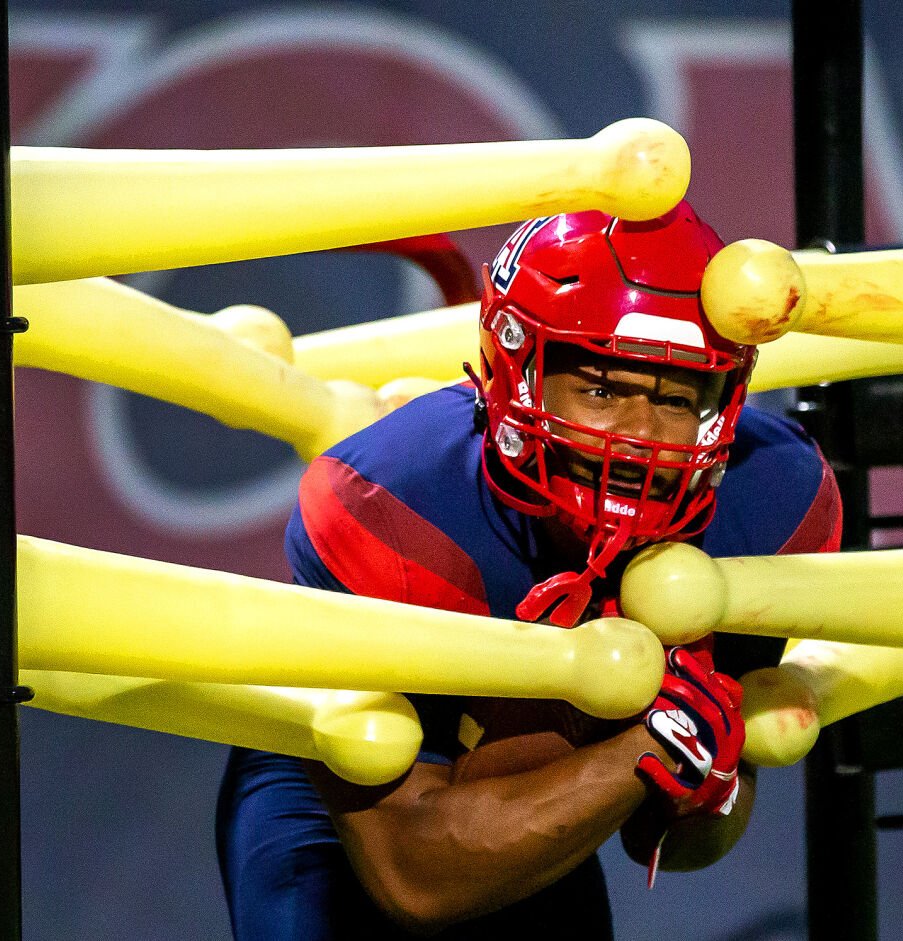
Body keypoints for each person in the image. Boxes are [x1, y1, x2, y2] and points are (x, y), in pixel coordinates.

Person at [216, 202, 841, 939]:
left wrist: (704, 768)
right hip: (357, 804)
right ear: (519, 370)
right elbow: (411, 876)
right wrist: (653, 745)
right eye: (603, 390)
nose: (639, 437)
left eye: (675, 397)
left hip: (543, 796)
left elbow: (678, 843)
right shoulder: (394, 501)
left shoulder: (770, 500)